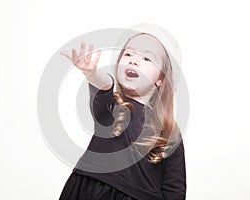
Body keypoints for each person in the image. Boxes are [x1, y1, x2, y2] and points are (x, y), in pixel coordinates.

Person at [59, 32, 186, 200]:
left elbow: (174, 188)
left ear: (160, 78)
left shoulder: (168, 130)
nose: (133, 60)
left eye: (147, 58)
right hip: (88, 189)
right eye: (128, 54)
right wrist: (92, 74)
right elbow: (103, 85)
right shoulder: (110, 105)